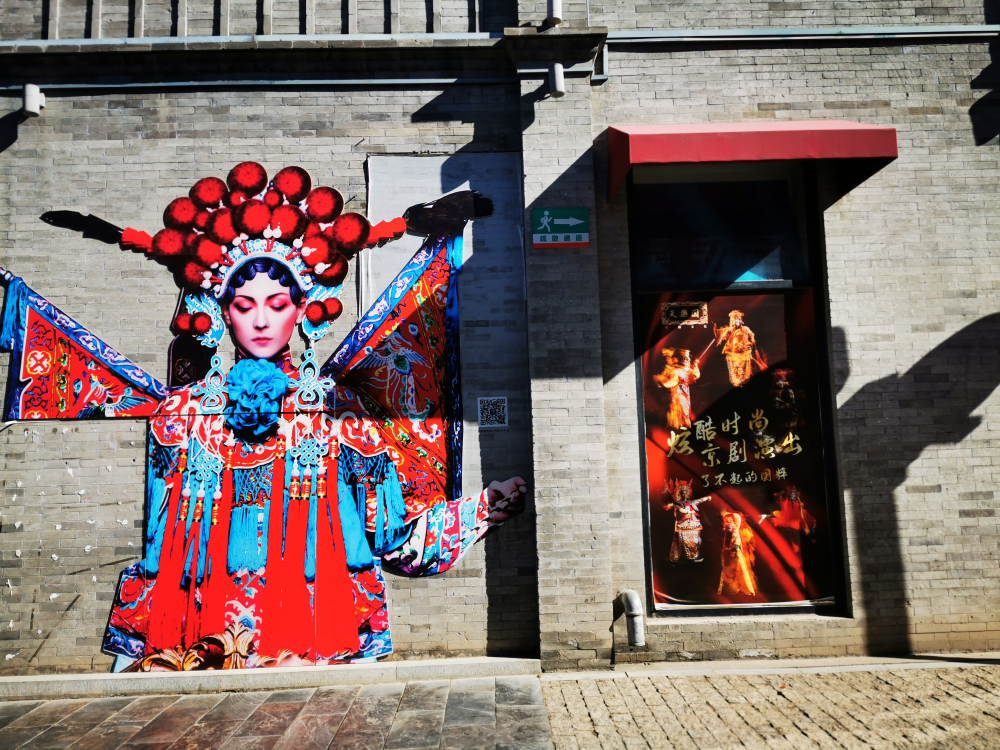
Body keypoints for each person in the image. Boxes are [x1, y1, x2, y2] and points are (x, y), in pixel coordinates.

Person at [0, 162, 524, 670]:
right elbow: (160, 550)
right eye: (244, 304)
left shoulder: (340, 415)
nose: (260, 321)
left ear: (303, 308)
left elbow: (392, 539)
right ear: (221, 312)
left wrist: (480, 510)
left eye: (277, 303)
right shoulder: (183, 418)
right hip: (199, 653)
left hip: (319, 649)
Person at [714, 309, 767, 388]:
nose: (735, 323)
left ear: (740, 321)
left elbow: (751, 334)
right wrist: (720, 341)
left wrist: (752, 339)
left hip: (744, 351)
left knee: (744, 368)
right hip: (733, 353)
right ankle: (736, 382)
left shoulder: (745, 328)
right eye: (734, 320)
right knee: (734, 368)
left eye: (737, 320)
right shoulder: (730, 329)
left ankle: (745, 381)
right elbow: (723, 336)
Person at [663, 479, 711, 563]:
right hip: (683, 524)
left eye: (686, 493)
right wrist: (690, 512)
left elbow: (699, 500)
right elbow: (681, 510)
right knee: (683, 541)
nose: (684, 494)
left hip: (693, 524)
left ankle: (694, 556)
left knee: (696, 541)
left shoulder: (691, 502)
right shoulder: (678, 503)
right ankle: (684, 558)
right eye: (683, 493)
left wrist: (707, 498)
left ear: (688, 493)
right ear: (680, 494)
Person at [654, 348, 700, 430]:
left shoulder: (683, 370)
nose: (685, 360)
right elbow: (670, 381)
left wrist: (695, 366)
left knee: (683, 409)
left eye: (687, 359)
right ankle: (677, 425)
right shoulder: (675, 370)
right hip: (675, 393)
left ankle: (683, 424)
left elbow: (695, 376)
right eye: (684, 358)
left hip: (683, 392)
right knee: (677, 409)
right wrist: (661, 380)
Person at [718, 511, 757, 597]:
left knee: (741, 570)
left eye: (730, 520)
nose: (728, 522)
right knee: (728, 571)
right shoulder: (727, 532)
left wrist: (735, 548)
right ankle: (730, 589)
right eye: (726, 521)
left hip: (736, 554)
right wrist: (725, 549)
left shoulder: (736, 532)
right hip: (728, 554)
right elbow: (725, 542)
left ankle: (744, 588)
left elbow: (738, 542)